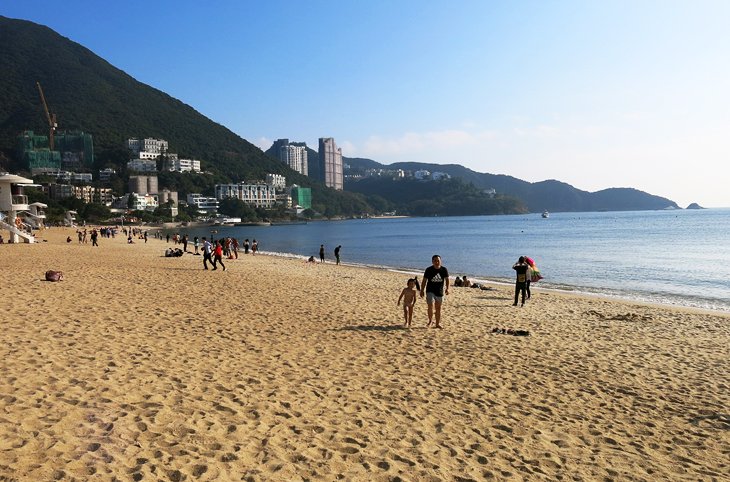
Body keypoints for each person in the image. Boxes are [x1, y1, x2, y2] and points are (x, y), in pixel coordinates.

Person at [420, 255, 449, 328]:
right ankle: (430, 321)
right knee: (430, 306)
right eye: (435, 260)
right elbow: (424, 281)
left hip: (439, 291)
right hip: (430, 290)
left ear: (440, 261)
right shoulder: (428, 270)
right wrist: (422, 290)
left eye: (438, 260)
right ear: (432, 261)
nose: (436, 262)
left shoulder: (444, 269)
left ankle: (437, 323)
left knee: (438, 308)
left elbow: (447, 280)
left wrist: (447, 288)